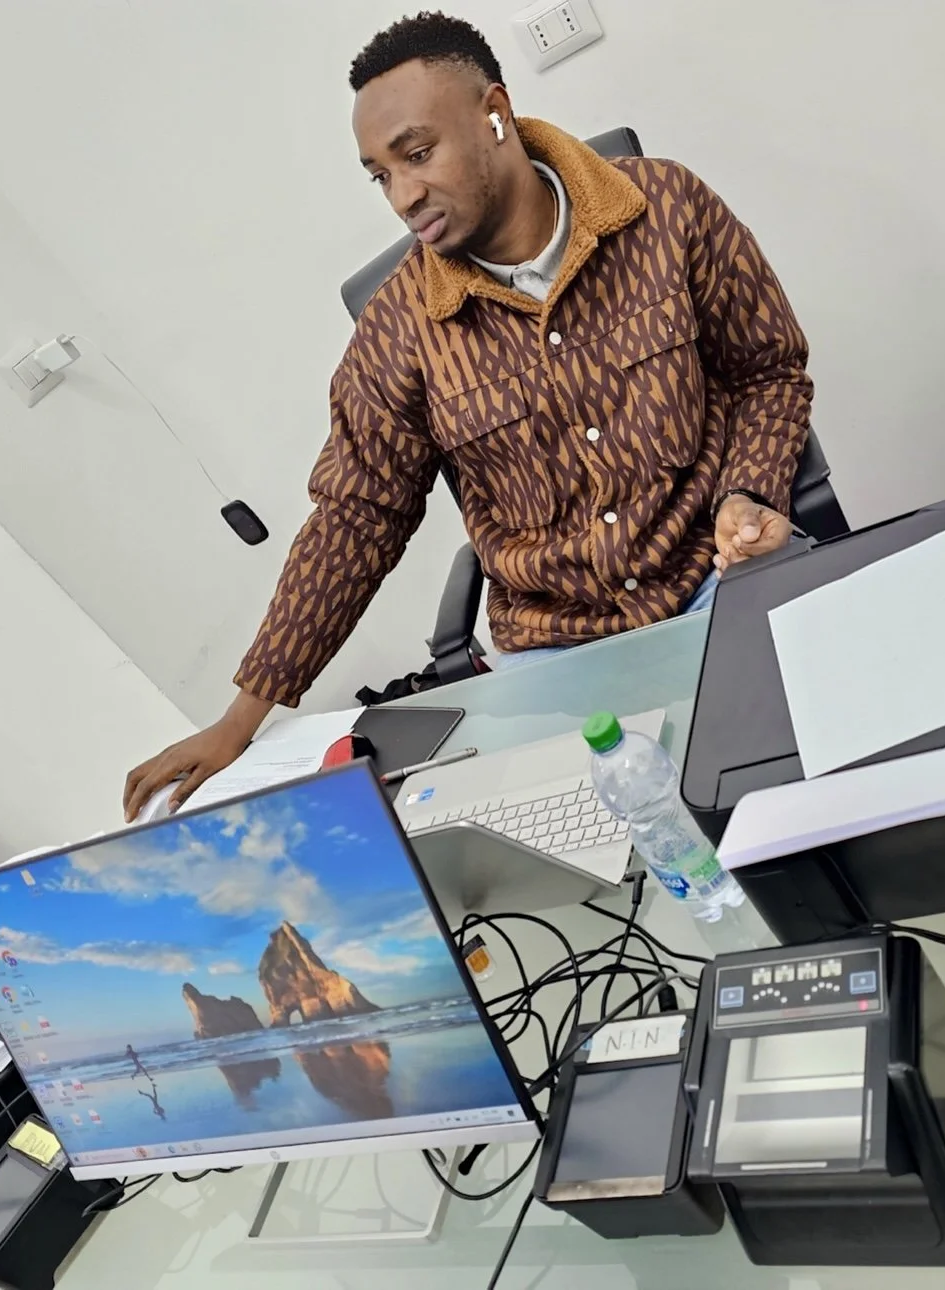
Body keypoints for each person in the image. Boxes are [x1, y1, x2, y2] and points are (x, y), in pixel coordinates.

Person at [124, 11, 811, 821]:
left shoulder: (664, 207)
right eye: (380, 176)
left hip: (715, 583)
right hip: (558, 655)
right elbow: (355, 517)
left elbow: (768, 371)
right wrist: (240, 719)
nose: (402, 196)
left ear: (494, 113)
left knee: (811, 798)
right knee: (604, 871)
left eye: (417, 154)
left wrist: (749, 495)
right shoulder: (400, 331)